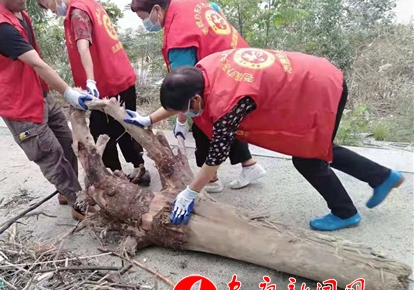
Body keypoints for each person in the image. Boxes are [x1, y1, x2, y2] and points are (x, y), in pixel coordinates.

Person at [127, 47, 404, 231]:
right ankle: (381, 177)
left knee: (309, 158)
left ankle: (345, 213)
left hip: (319, 89)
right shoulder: (202, 71)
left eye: (185, 110)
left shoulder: (228, 102)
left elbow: (215, 159)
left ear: (196, 99)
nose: (185, 115)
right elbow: (181, 102)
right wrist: (148, 119)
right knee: (318, 149)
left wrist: (190, 192)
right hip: (314, 75)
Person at [128, 0, 265, 193]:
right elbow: (216, 9)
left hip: (225, 79)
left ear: (156, 10)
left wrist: (172, 120)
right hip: (242, 64)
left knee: (202, 124)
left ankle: (211, 181)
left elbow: (183, 93)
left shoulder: (179, 38)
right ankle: (249, 165)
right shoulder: (190, 2)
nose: (145, 23)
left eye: (144, 18)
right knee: (229, 121)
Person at [0, 0, 93, 220]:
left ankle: (67, 191)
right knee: (50, 155)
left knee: (67, 143)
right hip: (19, 105)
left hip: (37, 94)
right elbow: (37, 64)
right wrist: (69, 93)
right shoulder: (2, 28)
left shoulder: (21, 16)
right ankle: (79, 204)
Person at [35, 0, 150, 186]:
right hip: (120, 75)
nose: (51, 11)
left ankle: (116, 175)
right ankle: (137, 167)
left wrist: (90, 82)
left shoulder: (77, 11)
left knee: (102, 132)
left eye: (47, 4)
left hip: (106, 84)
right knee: (126, 125)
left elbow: (83, 45)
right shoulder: (89, 3)